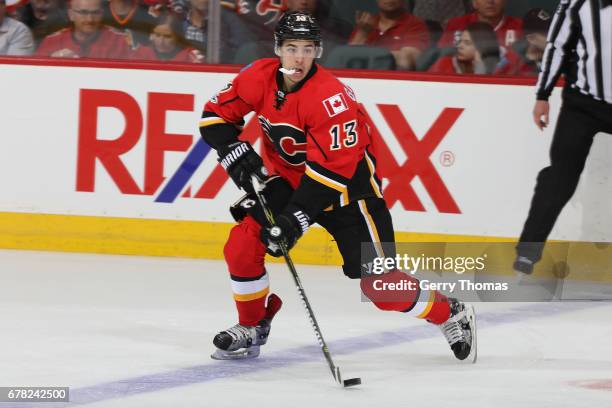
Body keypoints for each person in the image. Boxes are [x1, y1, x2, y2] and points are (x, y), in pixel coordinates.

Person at [199, 11, 476, 362]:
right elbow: (213, 117)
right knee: (241, 245)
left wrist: (292, 221)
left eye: (307, 48)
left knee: (382, 288)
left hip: (348, 192)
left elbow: (329, 177)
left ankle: (449, 312)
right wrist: (232, 149)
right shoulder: (258, 77)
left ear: (318, 52)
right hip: (290, 181)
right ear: (278, 49)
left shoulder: (332, 100)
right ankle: (253, 326)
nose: (299, 57)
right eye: (291, 47)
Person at [514, 0, 612, 274]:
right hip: (583, 103)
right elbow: (556, 46)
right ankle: (528, 251)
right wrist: (542, 95)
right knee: (559, 178)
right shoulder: (577, 2)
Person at [347, 0, 429, 70]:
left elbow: (407, 61)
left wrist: (366, 55)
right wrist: (363, 33)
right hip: (361, 80)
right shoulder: (366, 24)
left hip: (396, 82)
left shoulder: (414, 24)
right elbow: (347, 59)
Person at [36, 0, 130, 59]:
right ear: (71, 15)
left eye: (95, 13)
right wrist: (52, 63)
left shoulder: (119, 41)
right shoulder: (51, 41)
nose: (90, 19)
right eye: (83, 13)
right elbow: (36, 74)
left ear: (102, 14)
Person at [438, 0, 522, 50]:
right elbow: (443, 61)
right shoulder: (457, 25)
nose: (490, 1)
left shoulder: (520, 27)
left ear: (505, 1)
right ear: (474, 2)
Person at [429, 22, 501, 74]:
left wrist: (480, 64)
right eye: (460, 41)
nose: (460, 46)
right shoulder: (445, 63)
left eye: (467, 43)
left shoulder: (498, 67)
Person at [131, 10, 204, 62]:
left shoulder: (190, 57)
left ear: (178, 38)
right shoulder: (142, 53)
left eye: (167, 36)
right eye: (158, 35)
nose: (161, 42)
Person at [502, 8, 552, 77]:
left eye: (550, 32)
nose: (550, 37)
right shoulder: (512, 59)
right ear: (531, 38)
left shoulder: (557, 56)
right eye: (545, 33)